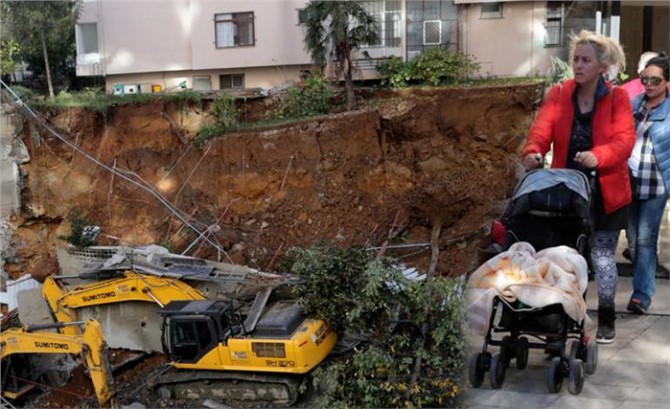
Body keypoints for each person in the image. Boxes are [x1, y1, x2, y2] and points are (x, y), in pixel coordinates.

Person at [521, 30, 635, 344]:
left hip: (607, 193)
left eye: (586, 60)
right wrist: (533, 152)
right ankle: (567, 320)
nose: (578, 65)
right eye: (575, 59)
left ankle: (607, 317)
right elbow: (540, 132)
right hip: (567, 190)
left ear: (603, 65)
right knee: (568, 257)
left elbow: (624, 141)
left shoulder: (618, 97)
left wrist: (597, 157)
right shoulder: (559, 94)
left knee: (600, 257)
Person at [625, 53, 670, 315]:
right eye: (645, 79)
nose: (649, 84)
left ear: (666, 83)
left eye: (656, 80)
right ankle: (641, 286)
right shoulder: (632, 105)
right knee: (632, 241)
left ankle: (641, 295)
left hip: (656, 185)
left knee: (645, 239)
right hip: (629, 181)